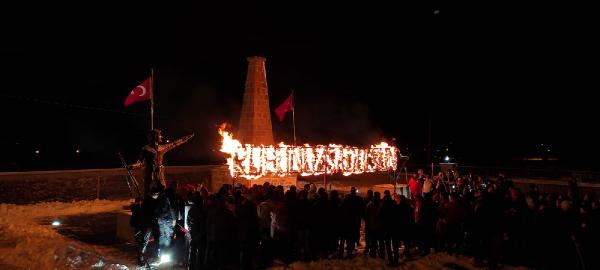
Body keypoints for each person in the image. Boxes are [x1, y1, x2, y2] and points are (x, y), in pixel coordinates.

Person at [128, 129, 194, 196]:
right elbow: (140, 162)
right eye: (160, 135)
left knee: (163, 190)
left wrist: (186, 138)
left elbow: (175, 143)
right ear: (155, 137)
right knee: (146, 192)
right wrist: (133, 166)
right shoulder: (145, 149)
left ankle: (156, 197)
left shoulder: (162, 148)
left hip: (159, 173)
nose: (161, 137)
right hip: (148, 173)